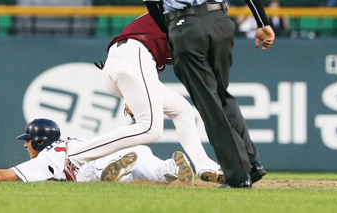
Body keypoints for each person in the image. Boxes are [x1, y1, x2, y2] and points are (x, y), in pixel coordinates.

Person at [141, 0, 275, 188]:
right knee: (222, 93)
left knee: (208, 103)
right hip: (221, 21)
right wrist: (263, 23)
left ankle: (239, 175)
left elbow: (151, 2)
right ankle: (252, 162)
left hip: (184, 25)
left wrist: (170, 35)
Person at [64, 13, 224, 184]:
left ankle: (205, 165)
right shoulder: (181, 10)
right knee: (150, 129)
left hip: (122, 61)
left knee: (182, 110)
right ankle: (77, 156)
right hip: (133, 55)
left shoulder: (180, 18)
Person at [0, 119, 195, 184]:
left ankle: (115, 171)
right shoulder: (69, 139)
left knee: (105, 169)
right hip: (105, 154)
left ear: (40, 141)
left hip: (91, 168)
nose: (25, 144)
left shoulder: (47, 157)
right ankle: (172, 168)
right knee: (142, 157)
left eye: (28, 140)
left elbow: (0, 174)